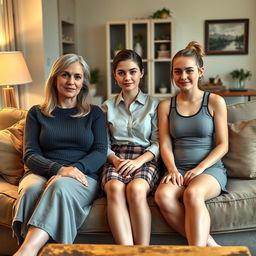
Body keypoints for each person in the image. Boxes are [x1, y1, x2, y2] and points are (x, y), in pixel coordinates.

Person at [12, 54, 108, 256]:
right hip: (42, 171)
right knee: (29, 189)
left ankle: (27, 251)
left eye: (77, 77)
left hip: (82, 176)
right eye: (65, 75)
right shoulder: (36, 113)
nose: (71, 82)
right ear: (55, 78)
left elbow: (100, 152)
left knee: (59, 185)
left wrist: (74, 170)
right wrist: (59, 169)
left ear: (83, 83)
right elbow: (30, 154)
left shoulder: (95, 113)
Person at [154, 41, 228, 246]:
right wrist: (172, 169)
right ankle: (211, 246)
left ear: (200, 71)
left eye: (189, 71)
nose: (183, 77)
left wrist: (199, 168)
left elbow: (223, 145)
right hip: (178, 169)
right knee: (162, 196)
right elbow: (165, 143)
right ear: (172, 74)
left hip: (209, 170)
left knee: (193, 194)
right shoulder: (166, 105)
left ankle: (197, 251)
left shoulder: (215, 101)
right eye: (177, 72)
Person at [101, 49, 160, 245]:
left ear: (142, 73)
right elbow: (103, 144)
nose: (127, 77)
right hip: (115, 159)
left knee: (136, 189)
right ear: (114, 75)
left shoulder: (155, 105)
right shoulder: (106, 107)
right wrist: (116, 160)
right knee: (114, 188)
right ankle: (126, 251)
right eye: (121, 72)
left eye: (133, 71)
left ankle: (142, 250)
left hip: (144, 158)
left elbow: (159, 142)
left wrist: (137, 162)